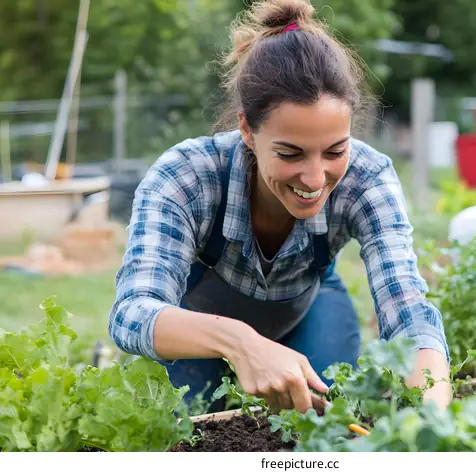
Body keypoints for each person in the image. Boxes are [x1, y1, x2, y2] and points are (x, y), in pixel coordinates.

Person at [108, 0, 451, 415]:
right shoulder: (187, 177)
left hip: (305, 308)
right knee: (188, 419)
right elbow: (132, 313)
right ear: (247, 131)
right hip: (196, 326)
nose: (314, 177)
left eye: (334, 151)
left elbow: (407, 308)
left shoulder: (368, 178)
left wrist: (434, 420)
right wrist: (241, 343)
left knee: (324, 417)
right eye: (290, 154)